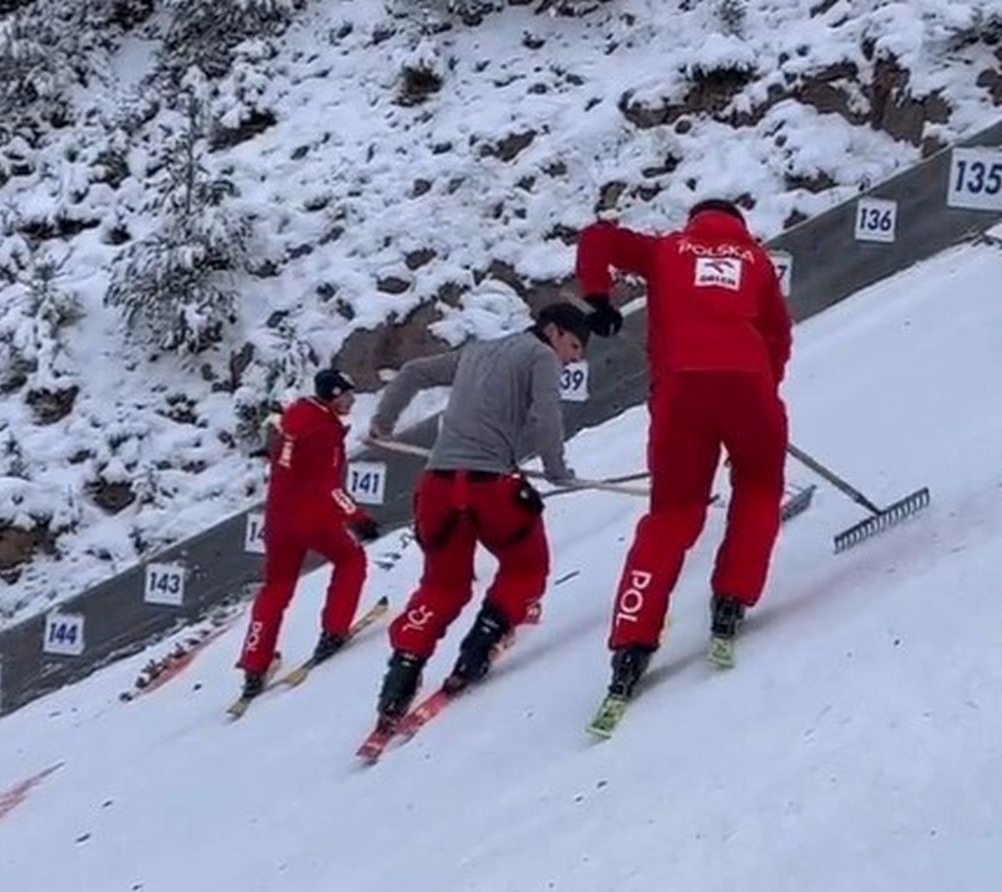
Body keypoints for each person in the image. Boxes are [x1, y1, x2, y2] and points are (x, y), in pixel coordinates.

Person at [574, 197, 792, 699]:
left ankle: (632, 638)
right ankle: (732, 597)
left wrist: (599, 296)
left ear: (693, 222)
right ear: (739, 228)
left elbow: (598, 238)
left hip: (679, 394)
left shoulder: (667, 250)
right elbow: (778, 334)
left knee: (672, 515)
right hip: (749, 386)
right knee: (758, 488)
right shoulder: (757, 260)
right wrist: (766, 387)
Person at [366, 301, 612, 724]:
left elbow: (413, 374)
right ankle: (481, 644)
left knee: (443, 584)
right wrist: (556, 469)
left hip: (438, 488)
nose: (574, 357)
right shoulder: (541, 357)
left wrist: (383, 422)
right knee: (526, 567)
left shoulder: (475, 353)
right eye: (573, 346)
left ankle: (401, 673)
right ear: (552, 332)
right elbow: (548, 414)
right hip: (491, 486)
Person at [236, 369, 381, 700]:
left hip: (277, 520)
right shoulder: (323, 429)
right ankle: (334, 630)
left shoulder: (294, 416)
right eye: (347, 394)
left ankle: (254, 665)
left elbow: (278, 443)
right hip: (312, 518)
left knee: (275, 589)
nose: (352, 400)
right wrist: (357, 517)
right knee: (351, 559)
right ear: (332, 395)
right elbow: (326, 484)